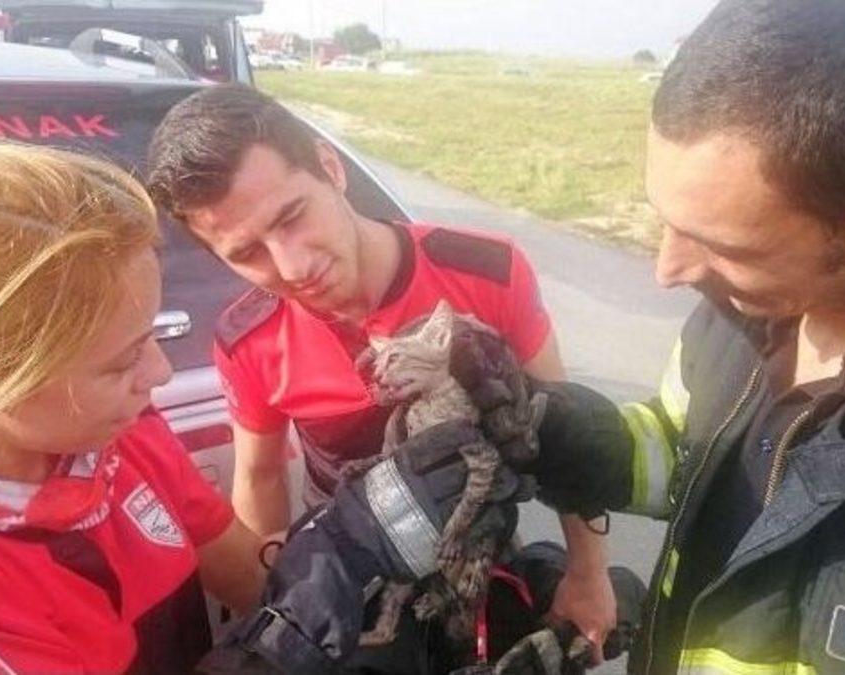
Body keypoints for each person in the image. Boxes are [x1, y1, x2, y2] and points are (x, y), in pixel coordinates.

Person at [0, 139, 511, 674]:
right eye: (121, 361)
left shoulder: (112, 434)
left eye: (151, 335)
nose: (160, 373)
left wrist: (355, 545)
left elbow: (248, 575)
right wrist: (290, 637)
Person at [487, 0, 845, 673]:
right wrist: (550, 429)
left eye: (723, 246)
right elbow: (681, 444)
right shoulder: (739, 304)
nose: (669, 270)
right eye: (668, 223)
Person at [144, 84, 616, 670]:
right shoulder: (249, 340)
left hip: (477, 554)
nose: (293, 265)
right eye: (247, 254)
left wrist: (589, 574)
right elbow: (261, 477)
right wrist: (275, 616)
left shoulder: (487, 272)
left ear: (331, 167)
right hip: (355, 585)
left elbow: (569, 437)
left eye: (292, 217)